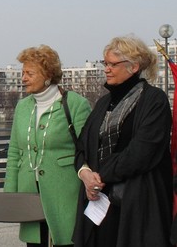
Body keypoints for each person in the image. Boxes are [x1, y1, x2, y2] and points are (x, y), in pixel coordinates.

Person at [74, 35, 173, 247]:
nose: (106, 69)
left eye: (112, 64)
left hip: (137, 202)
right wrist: (85, 174)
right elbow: (82, 145)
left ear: (133, 66)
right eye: (105, 63)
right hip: (98, 201)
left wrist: (100, 176)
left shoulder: (154, 100)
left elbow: (142, 151)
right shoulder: (103, 102)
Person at [3, 45, 91, 247]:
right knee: (35, 243)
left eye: (30, 73)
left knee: (65, 241)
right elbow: (15, 152)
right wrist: (10, 194)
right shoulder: (22, 107)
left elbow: (86, 149)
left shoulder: (76, 104)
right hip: (29, 192)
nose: (23, 78)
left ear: (48, 75)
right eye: (22, 72)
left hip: (64, 193)